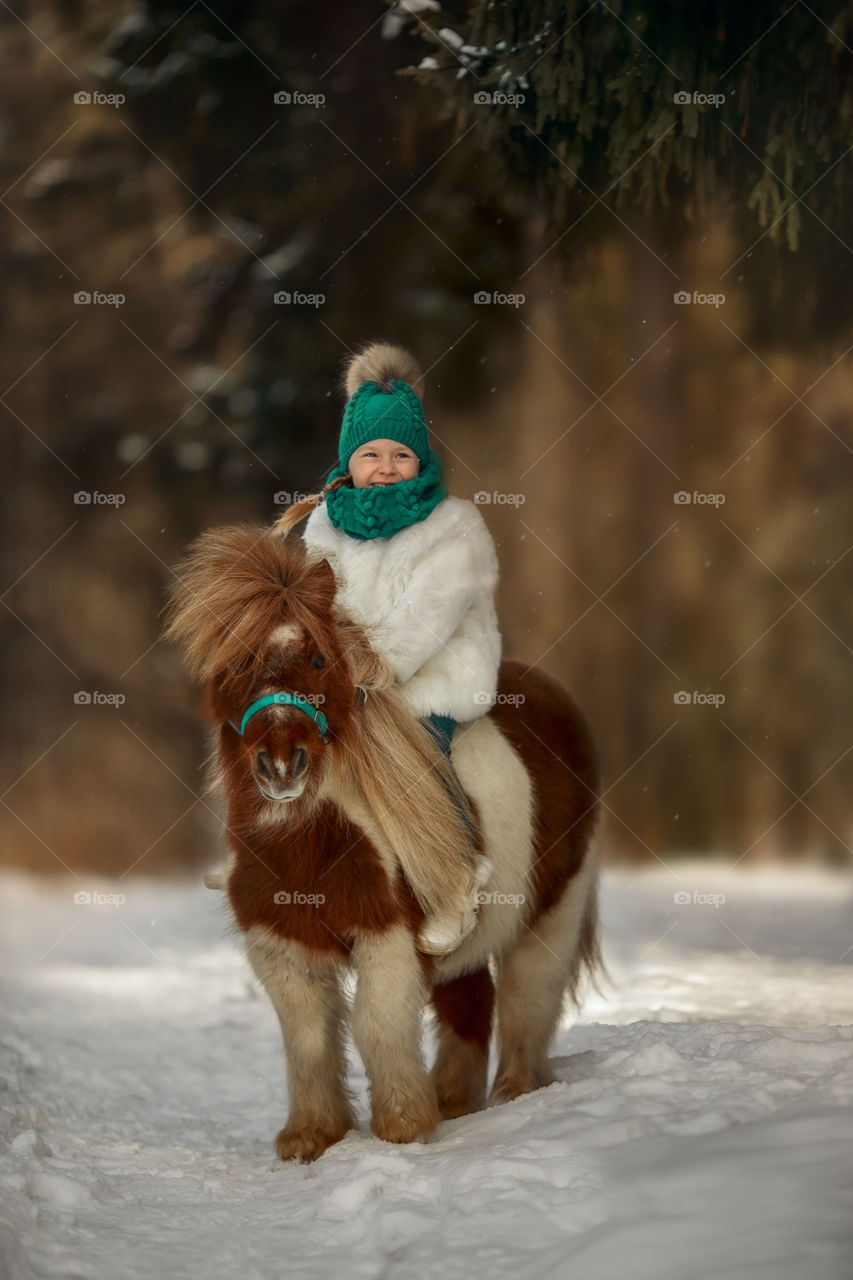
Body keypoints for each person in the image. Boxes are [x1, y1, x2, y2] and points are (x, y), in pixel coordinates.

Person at [274, 342, 501, 954]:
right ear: (350, 461)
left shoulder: (454, 527)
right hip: (350, 675)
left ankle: (454, 873)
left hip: (431, 675)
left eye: (402, 454)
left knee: (423, 751)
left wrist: (373, 669)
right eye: (371, 454)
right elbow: (318, 602)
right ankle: (274, 855)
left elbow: (427, 617)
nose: (386, 466)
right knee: (283, 729)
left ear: (420, 460)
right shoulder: (325, 523)